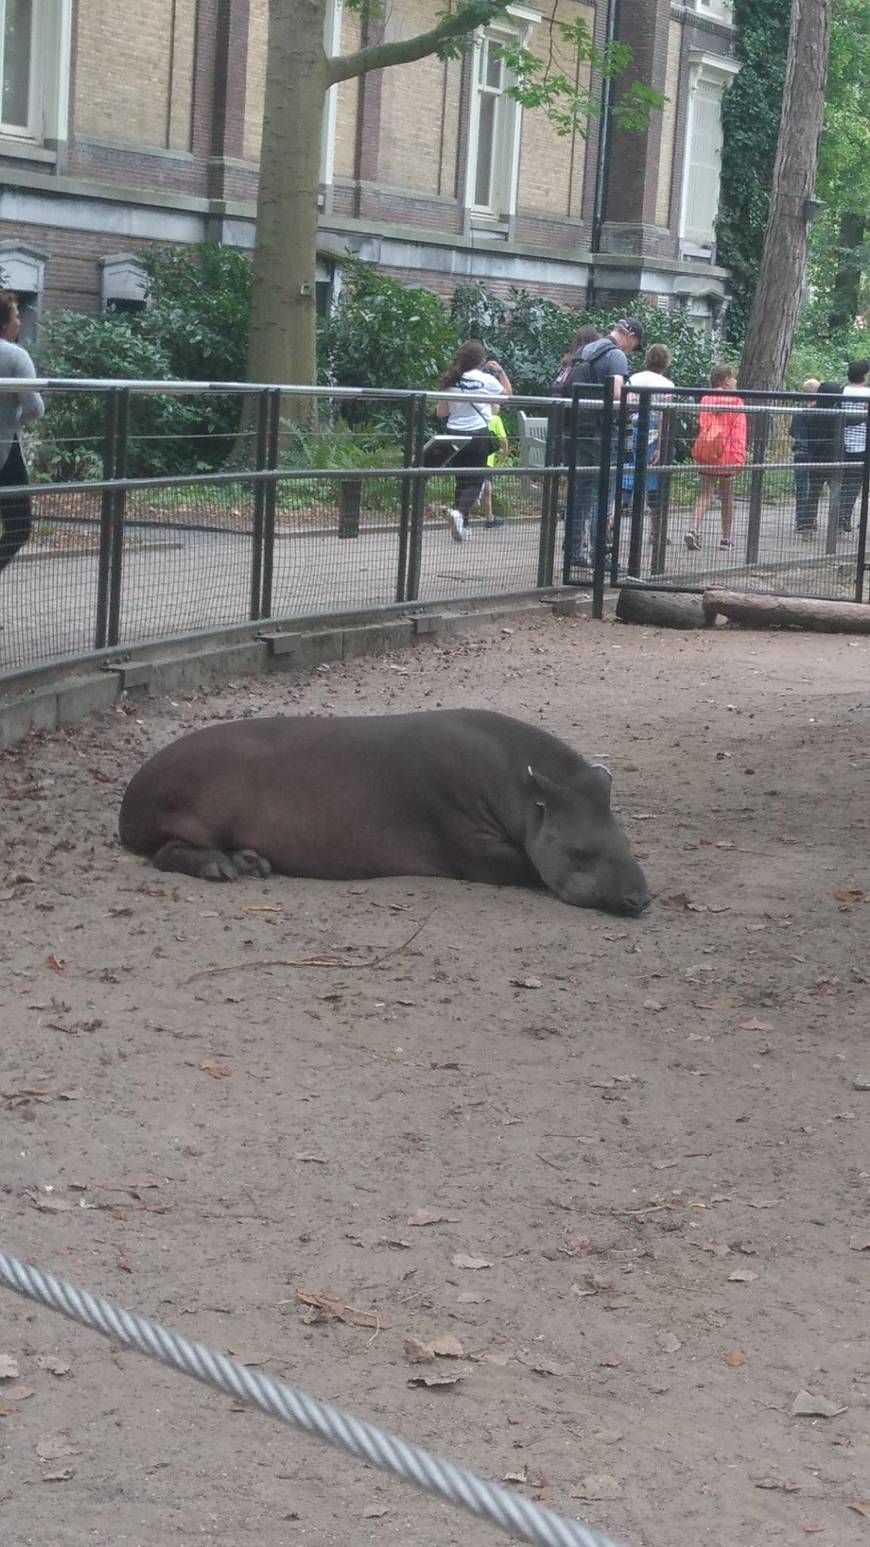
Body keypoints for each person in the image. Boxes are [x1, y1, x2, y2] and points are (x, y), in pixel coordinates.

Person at [558, 317, 643, 566]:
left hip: (577, 430)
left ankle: (573, 553)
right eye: (634, 345)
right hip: (601, 434)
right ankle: (599, 555)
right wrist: (634, 401)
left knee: (580, 493)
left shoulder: (587, 350)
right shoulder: (616, 355)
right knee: (603, 495)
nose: (631, 350)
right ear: (631, 336)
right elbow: (617, 393)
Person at [425, 340, 512, 542]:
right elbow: (508, 395)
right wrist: (499, 371)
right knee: (475, 480)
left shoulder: (450, 380)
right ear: (481, 360)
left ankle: (462, 526)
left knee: (461, 479)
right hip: (477, 435)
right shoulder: (486, 380)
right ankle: (459, 512)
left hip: (454, 434)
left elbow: (441, 412)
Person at [0, 291, 45, 591]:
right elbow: (35, 408)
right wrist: (12, 419)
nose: (19, 322)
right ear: (5, 323)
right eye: (16, 317)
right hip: (4, 449)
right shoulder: (15, 355)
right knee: (18, 526)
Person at [684, 362, 747, 551]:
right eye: (733, 377)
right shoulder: (736, 401)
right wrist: (739, 457)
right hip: (727, 456)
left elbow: (704, 425)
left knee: (705, 494)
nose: (735, 380)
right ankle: (726, 539)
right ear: (726, 380)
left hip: (708, 453)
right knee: (727, 497)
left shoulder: (706, 399)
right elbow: (739, 432)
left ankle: (693, 530)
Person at [625, 344, 675, 552]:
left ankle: (610, 527)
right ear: (666, 362)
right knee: (657, 486)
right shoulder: (667, 385)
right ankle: (656, 532)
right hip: (654, 436)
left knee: (625, 482)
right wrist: (661, 447)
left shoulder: (633, 379)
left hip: (632, 434)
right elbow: (665, 416)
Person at [796, 381, 844, 538]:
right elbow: (852, 422)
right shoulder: (839, 414)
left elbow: (794, 430)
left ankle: (807, 527)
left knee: (813, 493)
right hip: (835, 459)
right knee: (837, 493)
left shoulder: (809, 413)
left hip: (815, 457)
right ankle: (837, 527)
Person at [834, 358, 870, 535]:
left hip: (841, 443)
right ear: (865, 375)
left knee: (843, 481)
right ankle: (842, 516)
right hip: (862, 443)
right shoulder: (868, 393)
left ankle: (842, 516)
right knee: (854, 484)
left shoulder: (841, 391)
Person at [789, 378, 820, 536]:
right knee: (814, 487)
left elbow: (792, 431)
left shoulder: (799, 409)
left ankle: (801, 521)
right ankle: (810, 519)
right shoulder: (821, 411)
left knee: (801, 488)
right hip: (815, 453)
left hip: (800, 452)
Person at [479, 410, 509, 528]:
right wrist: (504, 454)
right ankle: (489, 518)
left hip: (471, 458)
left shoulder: (474, 416)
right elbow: (503, 440)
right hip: (487, 462)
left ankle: (462, 517)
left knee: (467, 485)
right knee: (487, 489)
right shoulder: (495, 419)